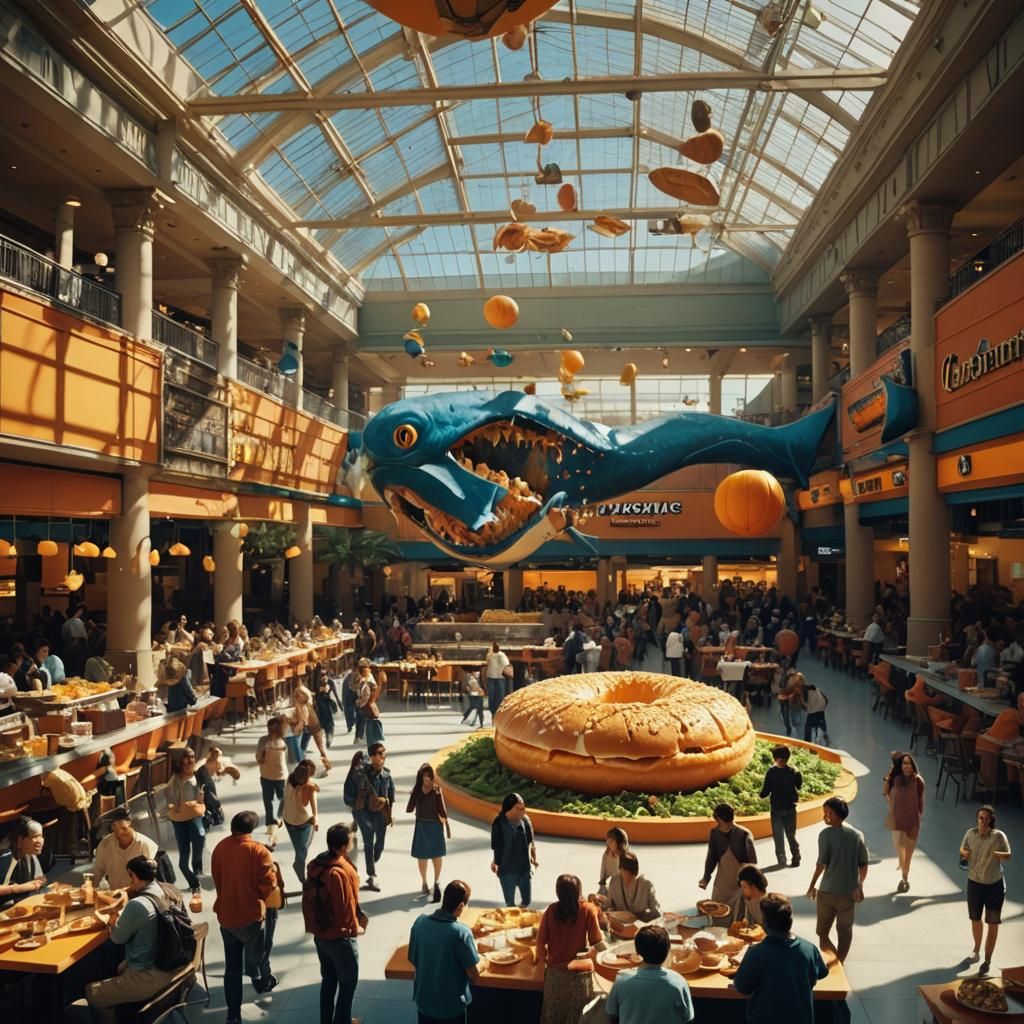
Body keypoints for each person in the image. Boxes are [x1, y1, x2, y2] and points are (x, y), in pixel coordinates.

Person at [84, 855, 182, 1024]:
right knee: (118, 967)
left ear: (133, 875)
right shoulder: (164, 889)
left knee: (92, 992)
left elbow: (116, 938)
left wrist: (112, 919)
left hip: (147, 976)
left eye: (130, 876)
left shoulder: (138, 904)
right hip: (168, 966)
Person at [212, 811, 280, 1023]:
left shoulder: (220, 847)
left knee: (232, 968)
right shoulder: (259, 851)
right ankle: (261, 981)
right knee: (257, 954)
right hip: (250, 916)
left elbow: (217, 877)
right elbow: (268, 887)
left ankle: (233, 1015)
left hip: (226, 915)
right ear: (252, 829)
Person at [732, 892, 829, 1024]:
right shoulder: (810, 949)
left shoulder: (756, 954)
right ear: (790, 921)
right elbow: (821, 973)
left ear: (765, 924)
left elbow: (742, 987)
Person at [303, 824, 366, 1024]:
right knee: (348, 983)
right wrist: (354, 928)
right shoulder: (338, 873)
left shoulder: (316, 865)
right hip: (340, 937)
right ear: (343, 846)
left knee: (329, 980)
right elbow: (345, 906)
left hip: (321, 934)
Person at [408, 879, 481, 1024]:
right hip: (450, 1010)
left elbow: (412, 957)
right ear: (461, 906)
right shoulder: (461, 933)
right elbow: (474, 975)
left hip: (424, 1004)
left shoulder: (419, 923)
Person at [806, 796, 868, 964]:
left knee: (822, 932)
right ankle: (840, 961)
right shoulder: (857, 835)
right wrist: (859, 886)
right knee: (845, 931)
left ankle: (833, 964)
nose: (825, 816)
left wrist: (812, 885)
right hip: (848, 894)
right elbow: (863, 865)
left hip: (827, 892)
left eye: (827, 812)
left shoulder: (825, 835)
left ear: (836, 813)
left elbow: (821, 864)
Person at [537, 874, 603, 1024]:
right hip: (579, 979)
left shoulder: (551, 911)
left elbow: (540, 950)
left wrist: (551, 961)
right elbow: (598, 944)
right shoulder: (586, 910)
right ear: (578, 890)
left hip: (555, 980)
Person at [604, 924, 694, 1024]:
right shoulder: (678, 982)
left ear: (638, 952)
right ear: (668, 949)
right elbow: (688, 1019)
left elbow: (611, 1015)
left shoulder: (622, 981)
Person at [960, 804, 1012, 976]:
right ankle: (976, 950)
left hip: (994, 884)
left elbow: (1008, 854)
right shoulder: (970, 833)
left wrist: (999, 854)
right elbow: (963, 848)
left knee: (993, 922)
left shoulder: (998, 836)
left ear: (992, 820)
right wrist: (964, 853)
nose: (983, 821)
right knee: (975, 918)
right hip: (975, 882)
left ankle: (987, 959)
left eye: (986, 818)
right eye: (980, 818)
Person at [353, 741, 395, 892]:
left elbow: (391, 795)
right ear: (370, 757)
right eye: (376, 754)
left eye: (382, 754)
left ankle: (371, 862)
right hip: (365, 813)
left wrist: (388, 810)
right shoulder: (362, 775)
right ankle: (371, 875)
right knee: (368, 843)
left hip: (381, 813)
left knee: (380, 844)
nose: (379, 757)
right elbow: (350, 794)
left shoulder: (387, 775)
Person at [698, 803, 757, 907]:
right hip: (722, 883)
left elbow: (752, 862)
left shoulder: (744, 834)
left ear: (720, 819)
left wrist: (751, 884)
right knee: (718, 910)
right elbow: (711, 858)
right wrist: (706, 878)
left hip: (741, 883)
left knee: (739, 915)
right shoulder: (715, 833)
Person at [407, 763, 450, 902]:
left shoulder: (437, 789)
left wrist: (438, 796)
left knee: (436, 856)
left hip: (435, 826)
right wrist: (413, 795)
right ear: (420, 777)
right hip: (421, 825)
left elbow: (443, 811)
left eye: (429, 776)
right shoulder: (417, 789)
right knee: (422, 856)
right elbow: (410, 808)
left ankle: (436, 882)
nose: (427, 779)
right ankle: (424, 882)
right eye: (424, 776)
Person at [882, 751, 925, 893]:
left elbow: (921, 801)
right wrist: (889, 774)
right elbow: (885, 793)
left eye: (908, 763)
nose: (906, 766)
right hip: (898, 819)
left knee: (909, 851)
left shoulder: (918, 781)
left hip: (912, 821)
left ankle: (905, 875)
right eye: (903, 764)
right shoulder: (896, 780)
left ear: (913, 765)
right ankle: (904, 872)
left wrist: (920, 818)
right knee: (899, 846)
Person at [166, 748, 207, 896]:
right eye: (186, 758)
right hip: (180, 820)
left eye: (192, 757)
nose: (190, 761)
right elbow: (169, 801)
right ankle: (194, 883)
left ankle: (198, 872)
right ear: (180, 762)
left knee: (199, 835)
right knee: (183, 863)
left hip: (195, 816)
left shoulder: (199, 777)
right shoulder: (174, 781)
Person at [490, 792, 538, 908]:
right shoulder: (499, 823)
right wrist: (495, 861)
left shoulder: (525, 821)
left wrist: (533, 858)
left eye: (523, 808)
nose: (522, 811)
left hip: (524, 868)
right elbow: (496, 845)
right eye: (518, 808)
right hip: (507, 870)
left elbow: (531, 842)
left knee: (526, 900)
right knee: (510, 904)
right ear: (509, 809)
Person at [93, 808, 158, 890]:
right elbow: (97, 874)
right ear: (112, 827)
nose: (120, 833)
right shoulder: (105, 845)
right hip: (115, 894)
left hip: (138, 895)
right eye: (116, 828)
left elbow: (148, 881)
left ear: (131, 825)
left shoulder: (145, 845)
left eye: (124, 828)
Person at [760, 745, 802, 868]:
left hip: (786, 809)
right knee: (781, 836)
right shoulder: (787, 771)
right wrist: (761, 795)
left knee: (788, 835)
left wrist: (761, 795)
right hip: (780, 809)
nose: (779, 760)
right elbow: (766, 790)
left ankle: (794, 856)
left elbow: (766, 790)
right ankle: (783, 859)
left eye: (781, 758)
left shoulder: (786, 772)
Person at [283, 758, 320, 884]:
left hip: (288, 820)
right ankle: (300, 869)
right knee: (303, 848)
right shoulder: (310, 787)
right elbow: (313, 806)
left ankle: (299, 864)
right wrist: (316, 820)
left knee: (299, 848)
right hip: (305, 821)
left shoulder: (289, 779)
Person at [0, 816, 46, 906]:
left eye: (41, 836)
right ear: (20, 840)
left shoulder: (29, 854)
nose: (39, 841)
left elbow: (39, 879)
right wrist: (18, 888)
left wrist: (38, 882)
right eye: (35, 837)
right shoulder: (5, 855)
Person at [287, 684, 332, 771]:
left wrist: (294, 726)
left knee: (304, 749)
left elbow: (303, 721)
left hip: (310, 728)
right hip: (312, 727)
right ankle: (306, 767)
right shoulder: (305, 704)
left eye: (302, 694)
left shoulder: (304, 706)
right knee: (305, 749)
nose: (302, 696)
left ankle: (305, 768)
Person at [606, 852, 661, 923]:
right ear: (620, 869)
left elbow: (655, 911)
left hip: (640, 923)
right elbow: (609, 903)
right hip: (620, 922)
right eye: (624, 871)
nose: (627, 876)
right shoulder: (614, 880)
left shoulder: (646, 884)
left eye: (630, 873)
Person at [354, 665, 385, 748]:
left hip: (367, 704)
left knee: (366, 722)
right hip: (364, 705)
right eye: (365, 670)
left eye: (368, 670)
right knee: (362, 722)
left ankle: (363, 738)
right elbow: (362, 694)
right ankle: (360, 737)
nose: (368, 671)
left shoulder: (369, 680)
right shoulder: (363, 682)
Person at [595, 826, 630, 900]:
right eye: (608, 843)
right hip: (608, 886)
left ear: (620, 842)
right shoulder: (606, 854)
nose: (609, 845)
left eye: (611, 842)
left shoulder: (627, 858)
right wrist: (602, 885)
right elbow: (603, 873)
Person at [485, 641, 512, 720]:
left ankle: (496, 713)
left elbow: (506, 664)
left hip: (497, 678)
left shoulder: (500, 655)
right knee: (495, 696)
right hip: (494, 678)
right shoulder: (492, 655)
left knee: (497, 696)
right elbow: (506, 664)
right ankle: (494, 713)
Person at [776, 670, 805, 738]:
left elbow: (800, 694)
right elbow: (782, 691)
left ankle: (791, 733)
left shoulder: (798, 685)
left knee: (792, 720)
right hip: (786, 701)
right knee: (786, 718)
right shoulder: (787, 682)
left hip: (792, 704)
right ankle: (789, 731)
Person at [315, 672, 339, 748]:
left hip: (323, 707)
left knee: (326, 726)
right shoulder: (319, 685)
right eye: (323, 678)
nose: (325, 679)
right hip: (322, 707)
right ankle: (328, 739)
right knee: (328, 727)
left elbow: (333, 695)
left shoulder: (328, 683)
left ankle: (327, 739)